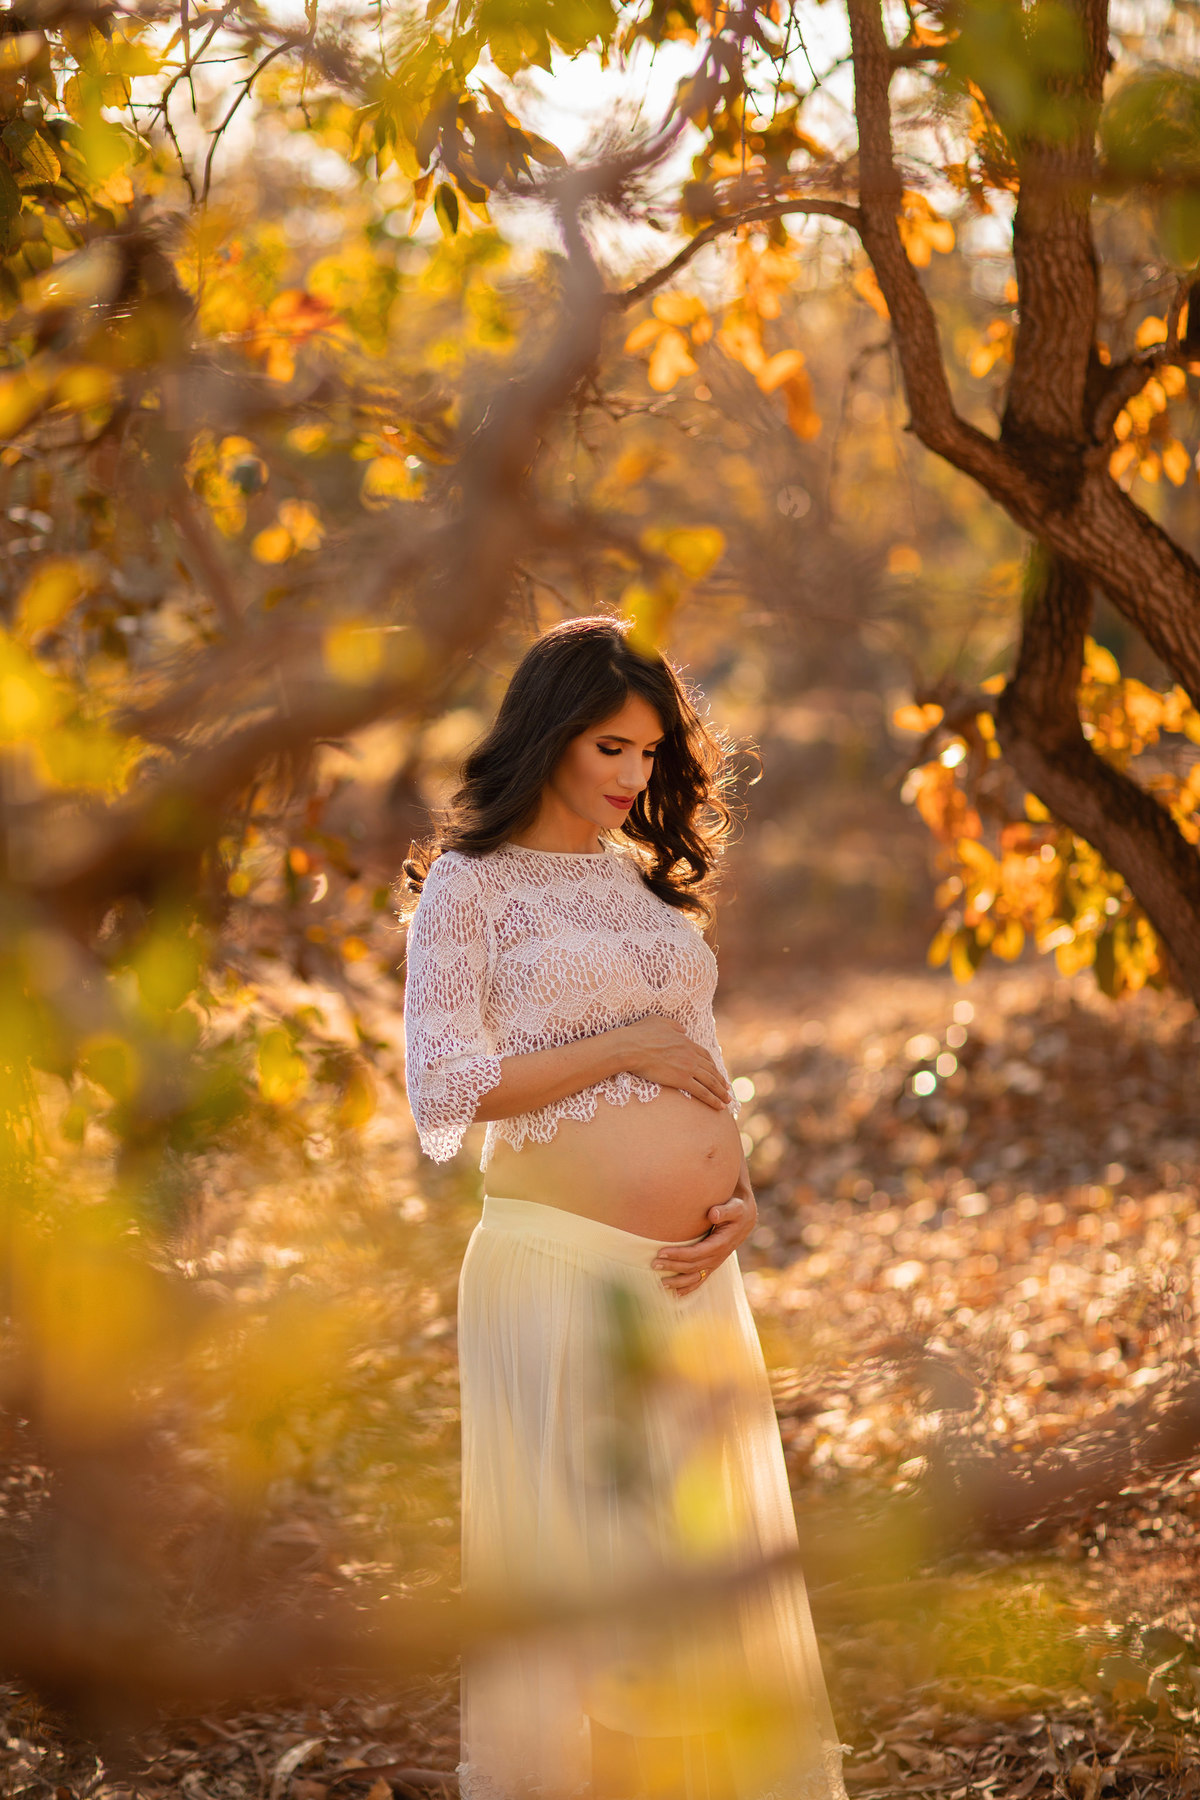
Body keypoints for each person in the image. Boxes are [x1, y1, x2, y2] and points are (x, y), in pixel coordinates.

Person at [401, 618, 846, 1800]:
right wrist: (623, 1045)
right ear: (547, 734)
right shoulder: (469, 887)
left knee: (690, 1603)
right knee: (605, 1615)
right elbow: (447, 1087)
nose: (631, 778)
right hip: (561, 1273)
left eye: (649, 755)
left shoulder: (640, 887)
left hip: (693, 1280)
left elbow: (696, 1057)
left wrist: (736, 1189)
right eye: (610, 747)